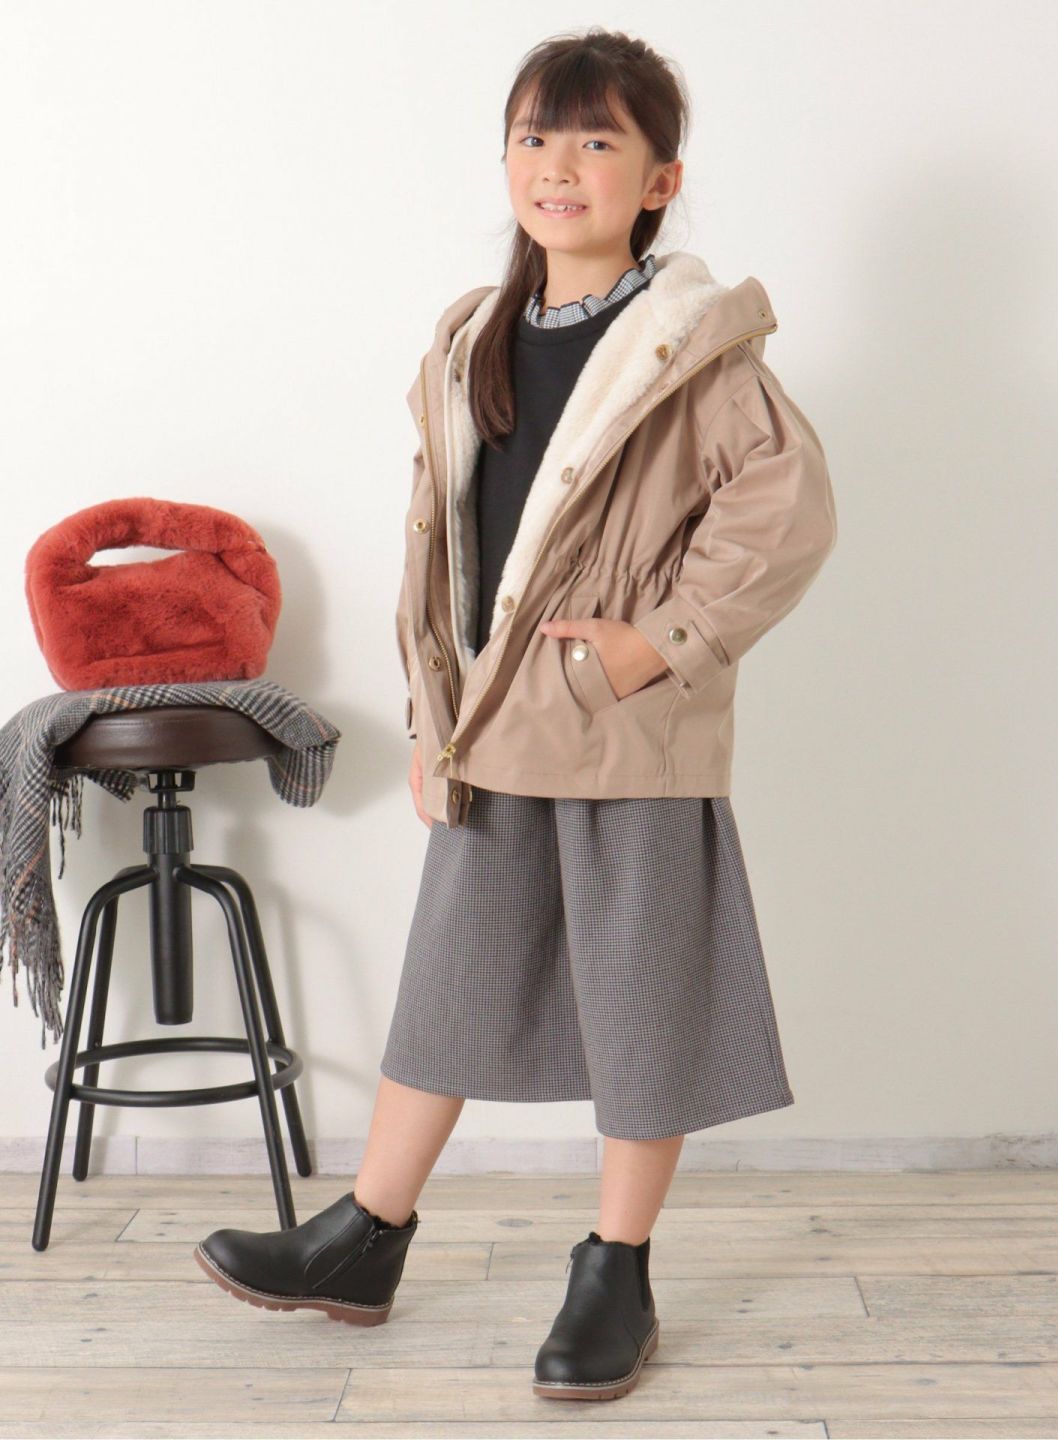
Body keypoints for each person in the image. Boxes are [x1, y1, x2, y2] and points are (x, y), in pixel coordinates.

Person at [194, 25, 837, 1404]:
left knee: (642, 1006)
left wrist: (654, 647)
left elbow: (785, 513)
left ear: (659, 181)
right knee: (449, 984)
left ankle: (618, 1271)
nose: (560, 164)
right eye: (537, 136)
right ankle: (366, 1236)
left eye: (599, 140)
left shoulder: (693, 350)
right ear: (505, 160)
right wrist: (433, 717)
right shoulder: (470, 339)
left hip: (628, 733)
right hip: (494, 726)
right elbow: (444, 549)